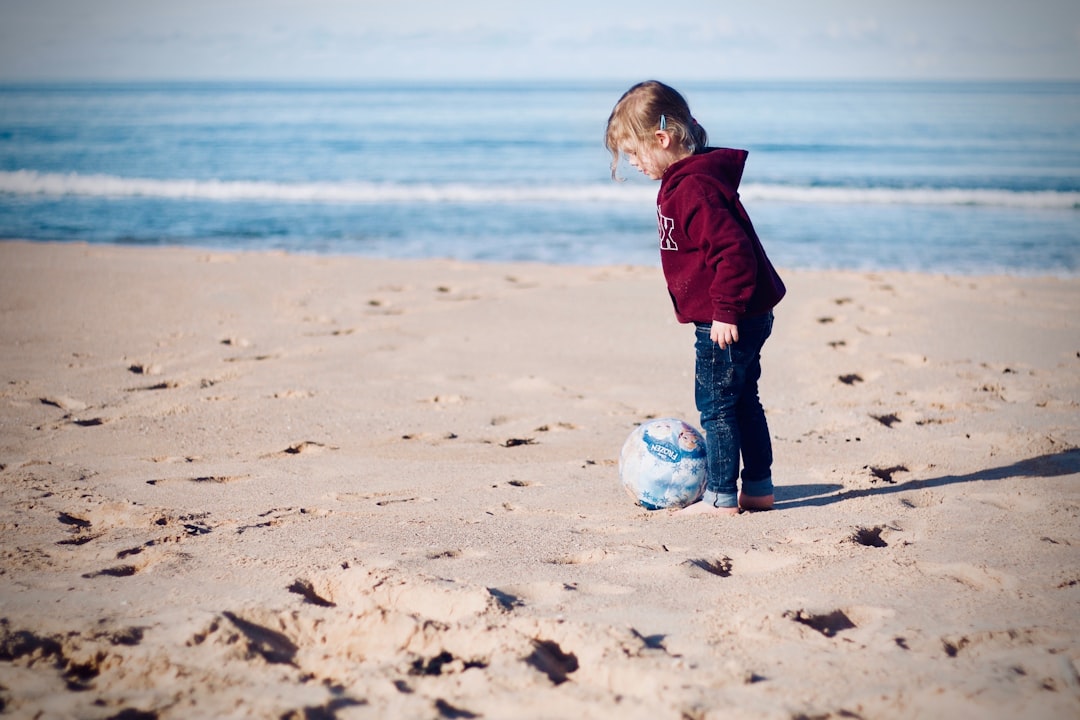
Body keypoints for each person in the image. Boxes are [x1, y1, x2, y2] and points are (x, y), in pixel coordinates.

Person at [605, 80, 786, 516]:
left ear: (661, 139)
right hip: (743, 311)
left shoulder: (693, 189)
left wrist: (724, 312)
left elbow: (733, 252)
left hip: (728, 318)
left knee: (716, 405)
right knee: (742, 399)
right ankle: (758, 489)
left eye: (633, 152)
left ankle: (721, 497)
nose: (632, 162)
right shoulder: (690, 179)